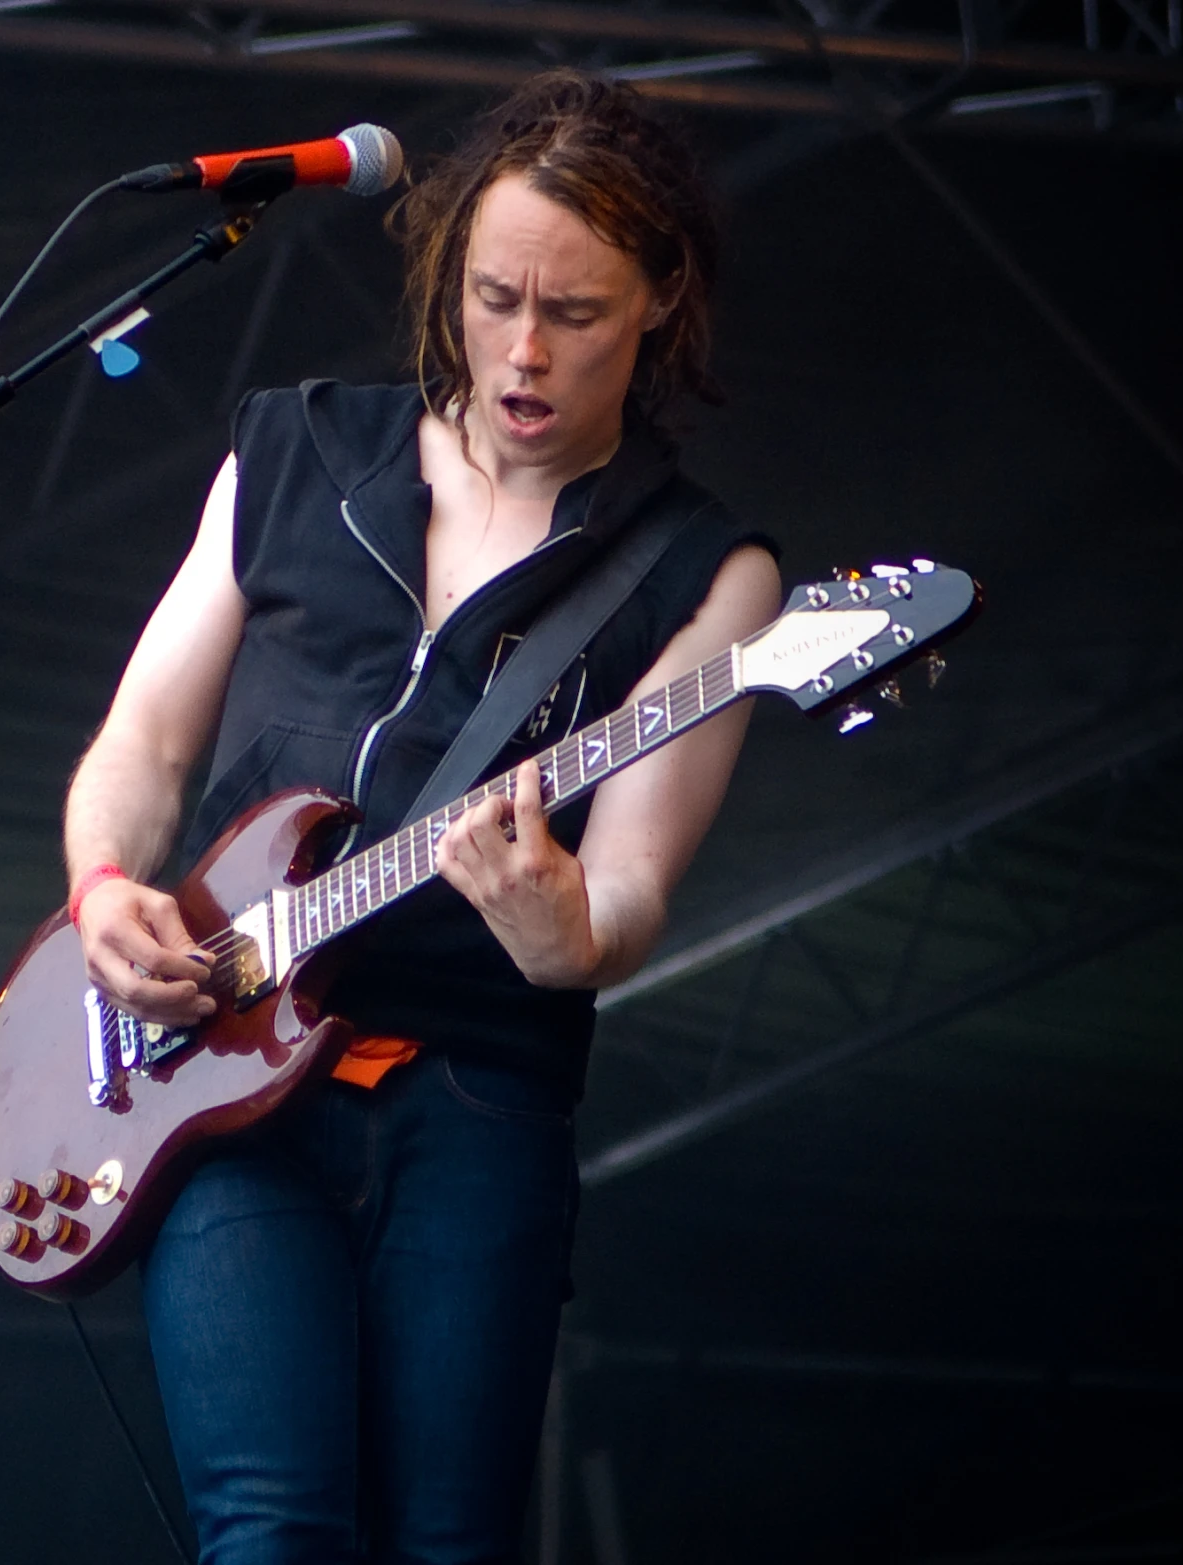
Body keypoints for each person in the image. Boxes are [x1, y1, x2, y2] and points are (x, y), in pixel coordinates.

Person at [61, 72, 783, 1564]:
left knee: (448, 1545)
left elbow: (630, 896)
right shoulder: (291, 452)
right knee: (267, 1529)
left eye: (574, 312)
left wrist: (560, 926)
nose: (522, 349)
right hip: (220, 1076)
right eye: (492, 295)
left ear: (658, 301)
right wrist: (101, 886)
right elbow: (140, 740)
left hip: (472, 1098)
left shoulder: (707, 577)